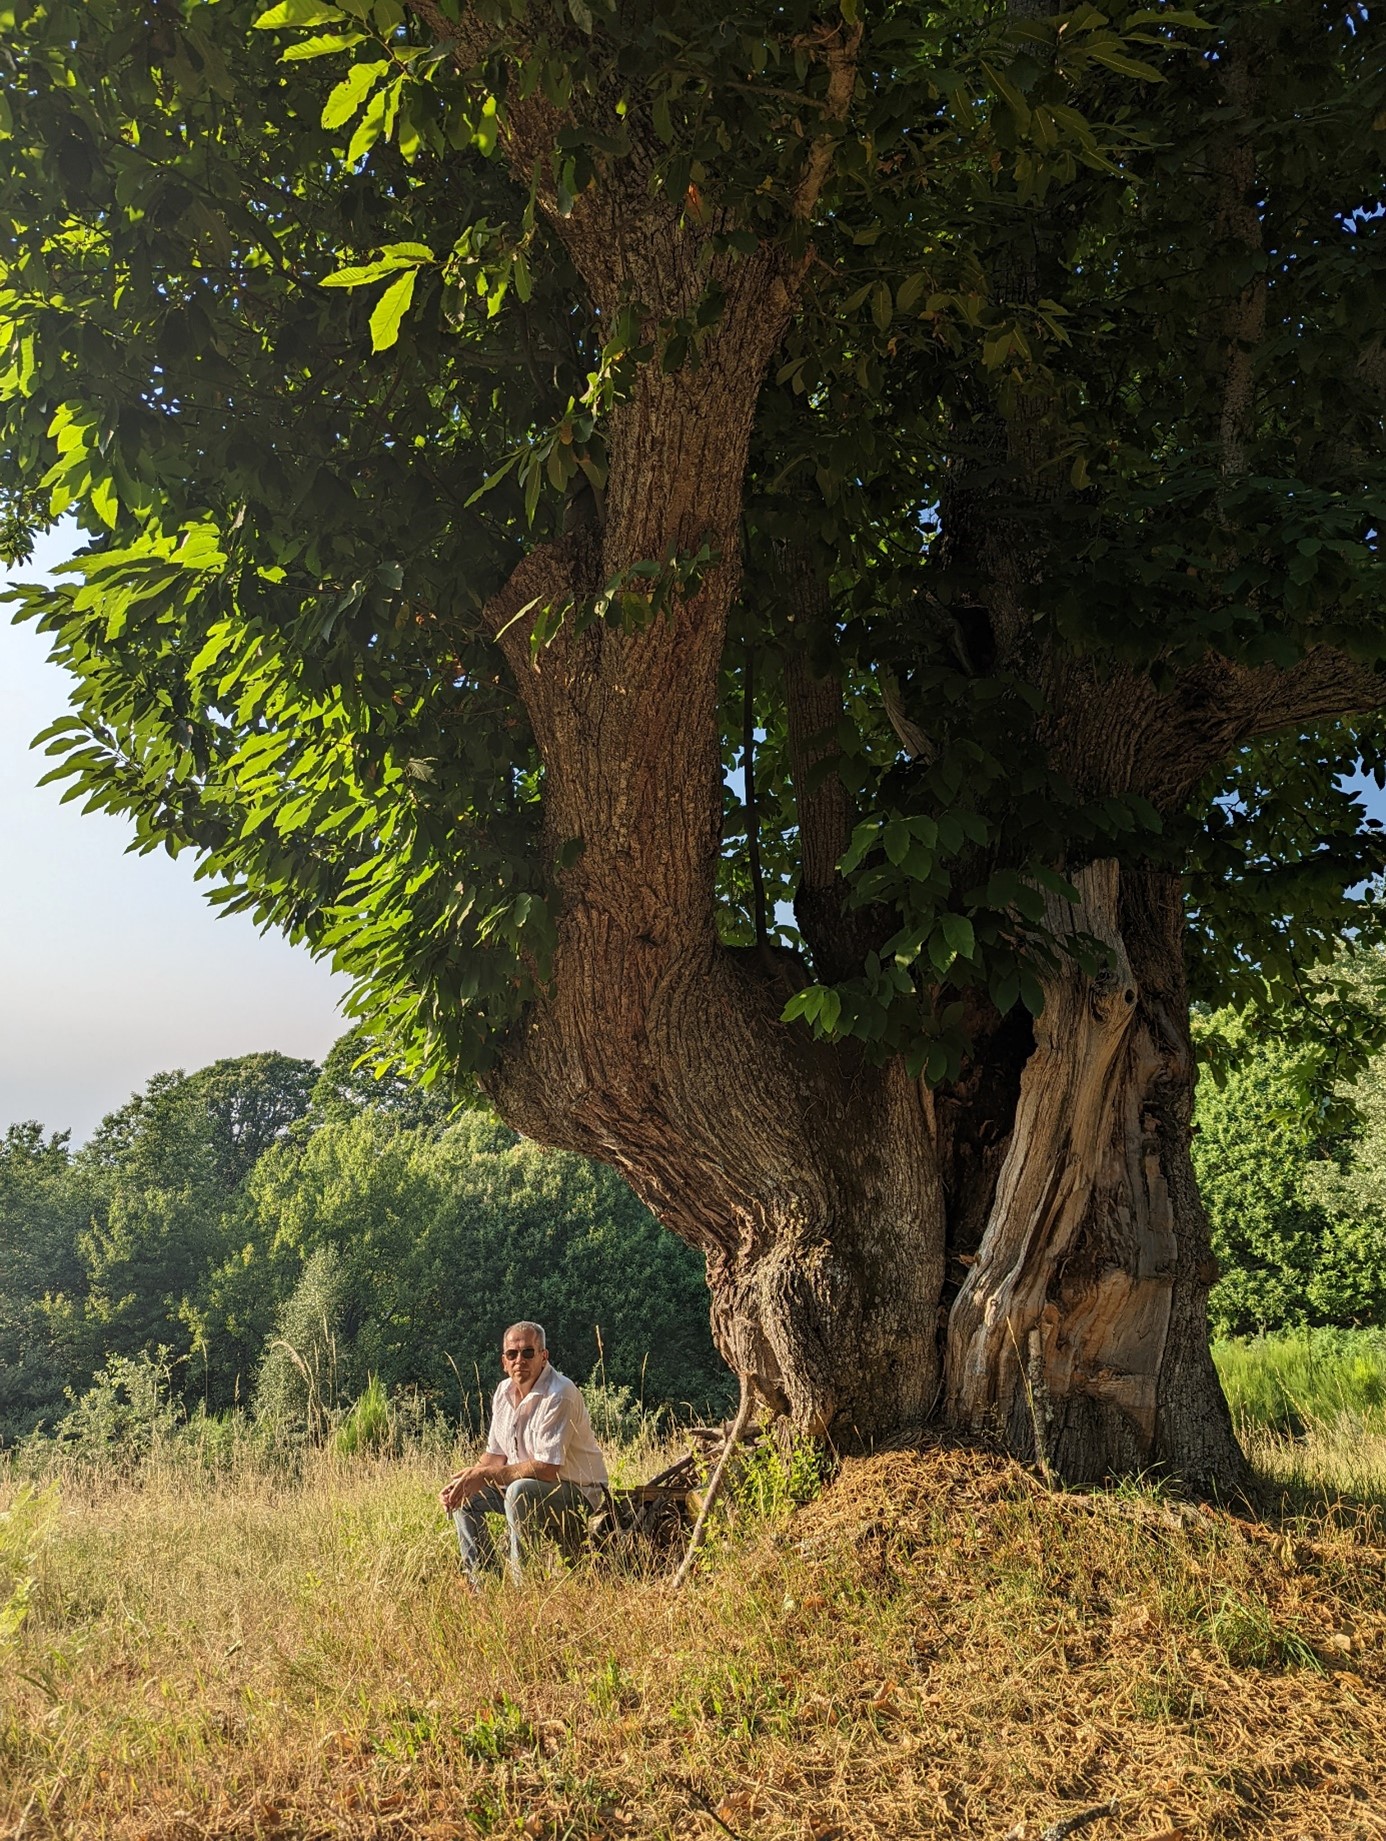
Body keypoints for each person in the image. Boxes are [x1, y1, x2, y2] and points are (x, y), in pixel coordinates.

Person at [440, 1320, 609, 1586]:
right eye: (512, 1354)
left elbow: (548, 1469)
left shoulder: (559, 1393)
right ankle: (485, 1585)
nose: (520, 1360)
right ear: (504, 1361)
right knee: (465, 1497)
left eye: (528, 1352)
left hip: (578, 1491)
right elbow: (495, 1456)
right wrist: (466, 1480)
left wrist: (484, 1475)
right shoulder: (502, 1392)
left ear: (544, 1356)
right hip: (529, 1486)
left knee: (519, 1491)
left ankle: (524, 1588)